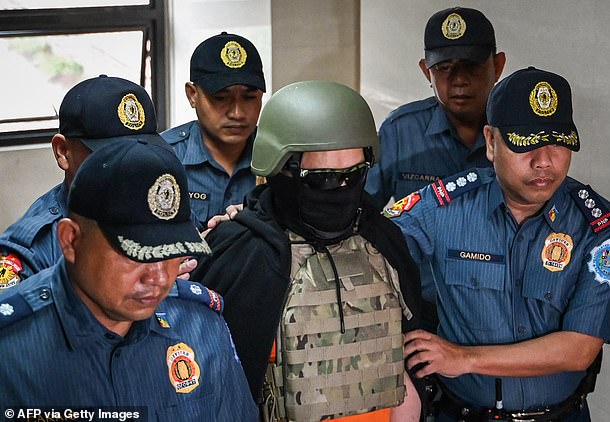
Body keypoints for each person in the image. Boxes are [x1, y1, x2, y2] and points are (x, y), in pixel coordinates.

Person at [386, 67, 610, 421]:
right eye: (526, 144)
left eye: (558, 142)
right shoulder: (443, 208)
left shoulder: (599, 226)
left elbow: (579, 350)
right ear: (491, 142)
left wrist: (462, 357)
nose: (544, 160)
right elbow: (370, 248)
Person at [191, 81, 423, 421]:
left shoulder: (383, 241)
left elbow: (401, 367)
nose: (342, 190)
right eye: (324, 179)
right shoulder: (243, 253)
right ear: (281, 170)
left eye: (354, 176)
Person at [0, 136, 258, 421]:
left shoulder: (200, 326)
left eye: (173, 253)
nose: (159, 278)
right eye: (136, 255)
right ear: (71, 241)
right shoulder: (10, 349)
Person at [365, 7, 506, 308]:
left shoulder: (517, 135)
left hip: (497, 315)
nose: (458, 80)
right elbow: (360, 211)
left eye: (471, 66)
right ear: (425, 70)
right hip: (418, 308)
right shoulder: (401, 132)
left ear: (498, 65)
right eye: (444, 67)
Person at [0, 75, 185, 287]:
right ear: (63, 152)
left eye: (142, 152)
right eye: (109, 157)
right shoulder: (32, 248)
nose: (129, 167)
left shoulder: (161, 209)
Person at [162, 32, 265, 226]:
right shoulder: (163, 158)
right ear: (192, 95)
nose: (237, 113)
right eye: (220, 98)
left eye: (249, 97)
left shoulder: (279, 161)